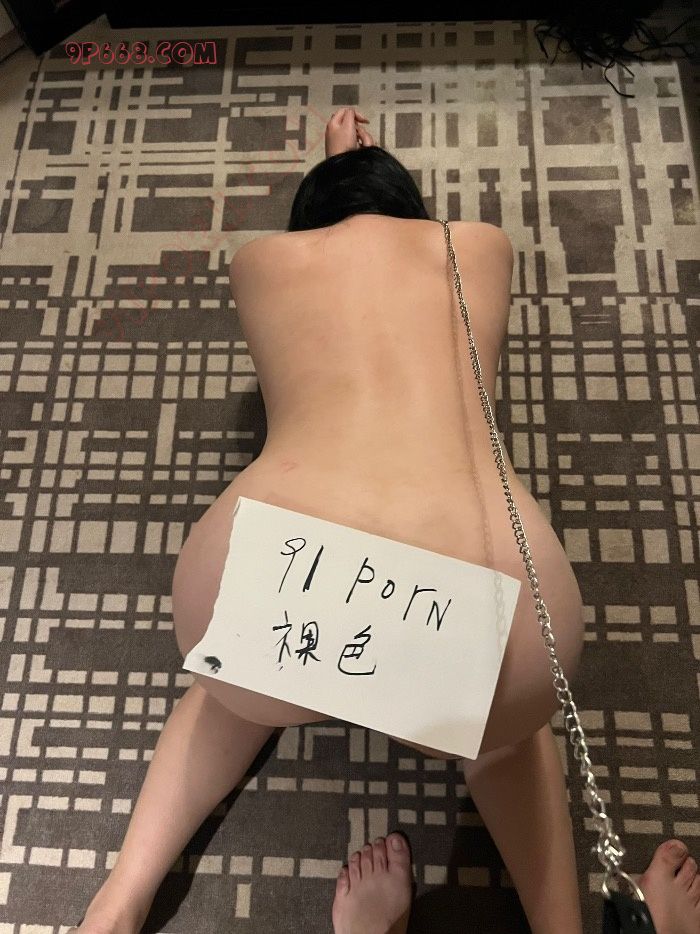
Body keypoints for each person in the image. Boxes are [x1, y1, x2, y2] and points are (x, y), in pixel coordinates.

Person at [69, 108, 700, 934]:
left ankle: (115, 906)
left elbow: (340, 243)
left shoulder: (260, 263)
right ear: (414, 207)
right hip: (484, 592)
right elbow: (391, 236)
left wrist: (340, 171)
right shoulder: (477, 247)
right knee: (507, 735)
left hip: (272, 574)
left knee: (230, 696)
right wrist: (363, 169)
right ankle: (562, 927)